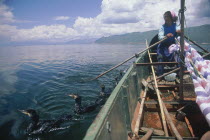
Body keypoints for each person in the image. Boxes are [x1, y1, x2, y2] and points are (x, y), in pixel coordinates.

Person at [157, 11, 181, 76]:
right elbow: (160, 37)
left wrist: (179, 32)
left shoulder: (175, 25)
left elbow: (178, 30)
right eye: (165, 17)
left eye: (167, 16)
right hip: (163, 45)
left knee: (178, 54)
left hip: (172, 44)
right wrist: (166, 36)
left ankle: (180, 72)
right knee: (160, 55)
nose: (165, 18)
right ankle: (160, 74)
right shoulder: (162, 27)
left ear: (171, 18)